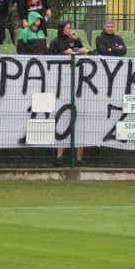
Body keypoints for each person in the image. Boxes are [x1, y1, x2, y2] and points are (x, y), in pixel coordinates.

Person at [48, 20, 88, 165]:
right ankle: (59, 158)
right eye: (67, 28)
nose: (69, 30)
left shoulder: (73, 40)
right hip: (62, 83)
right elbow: (50, 59)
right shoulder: (56, 41)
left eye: (70, 28)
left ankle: (79, 159)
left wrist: (78, 41)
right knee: (62, 120)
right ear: (61, 29)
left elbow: (83, 50)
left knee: (80, 123)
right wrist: (63, 54)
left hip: (77, 83)